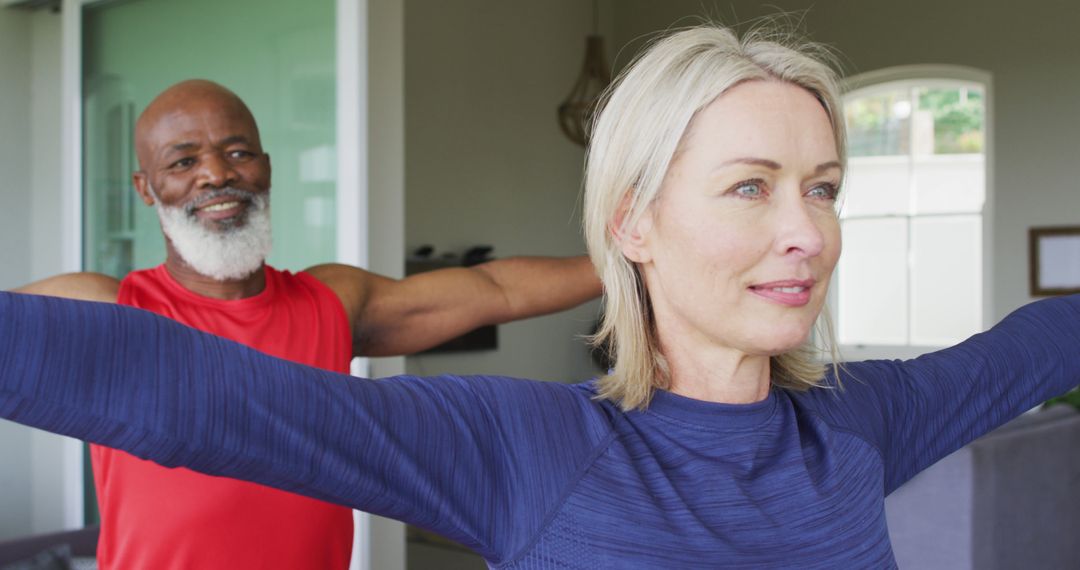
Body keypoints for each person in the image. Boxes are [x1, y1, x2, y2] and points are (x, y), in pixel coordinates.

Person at [2, 23, 1079, 569]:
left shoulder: (861, 423)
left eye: (826, 189)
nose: (808, 232)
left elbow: (1040, 341)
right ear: (633, 224)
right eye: (750, 187)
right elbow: (187, 393)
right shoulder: (531, 447)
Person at [11, 80, 601, 570]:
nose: (216, 174)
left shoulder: (331, 301)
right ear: (147, 188)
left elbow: (494, 289)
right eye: (184, 160)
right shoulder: (105, 308)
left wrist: (633, 262)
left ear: (266, 167)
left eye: (237, 151)